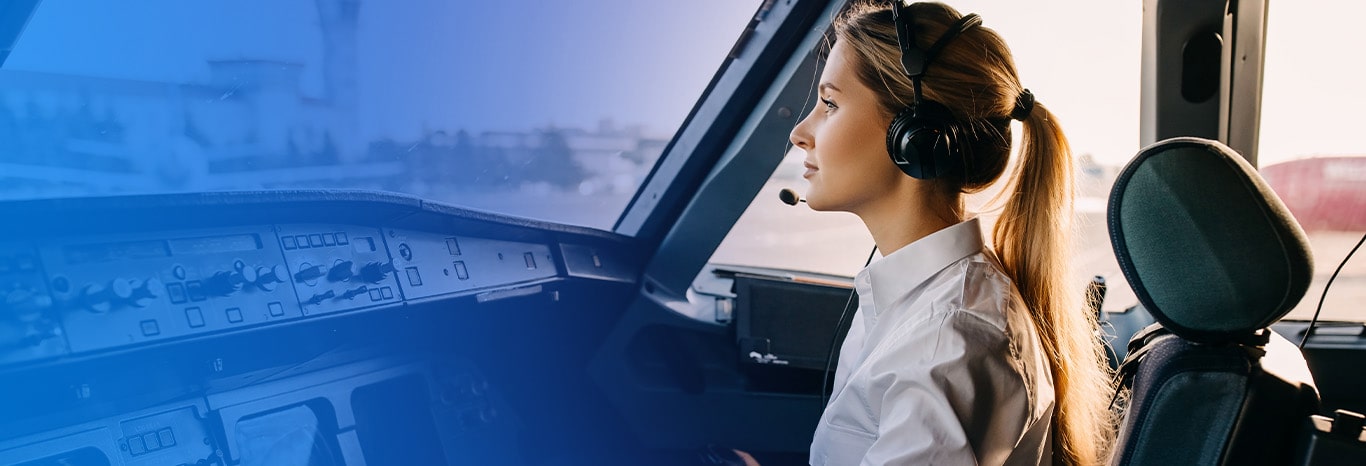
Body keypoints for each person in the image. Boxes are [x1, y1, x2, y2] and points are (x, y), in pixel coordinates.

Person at [786, 1, 1114, 465]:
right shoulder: (923, 307)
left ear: (914, 136)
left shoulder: (948, 337)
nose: (800, 132)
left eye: (830, 104)